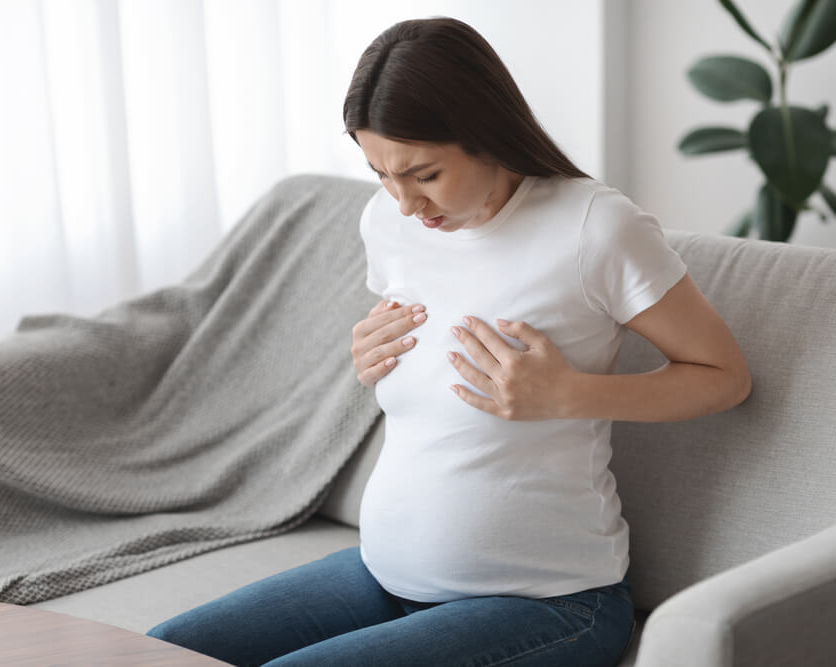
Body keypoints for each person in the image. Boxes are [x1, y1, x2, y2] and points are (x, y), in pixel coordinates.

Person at [146, 16, 751, 666]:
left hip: (550, 603)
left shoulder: (594, 228)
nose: (406, 202)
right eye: (382, 173)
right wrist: (368, 355)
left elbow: (723, 373)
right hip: (383, 575)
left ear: (486, 135)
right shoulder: (389, 224)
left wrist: (569, 392)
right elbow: (431, 362)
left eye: (425, 174)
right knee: (151, 652)